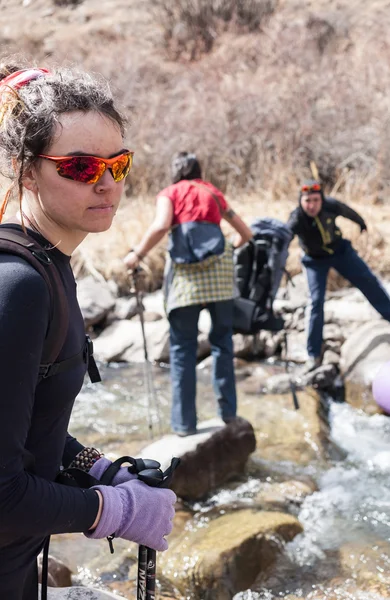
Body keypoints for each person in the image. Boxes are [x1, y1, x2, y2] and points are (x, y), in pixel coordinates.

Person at [0, 63, 176, 600]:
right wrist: (113, 510)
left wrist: (92, 466)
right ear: (26, 170)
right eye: (78, 167)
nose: (106, 183)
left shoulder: (50, 266)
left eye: (117, 164)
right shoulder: (18, 286)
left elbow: (26, 427)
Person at [124, 152, 253, 436]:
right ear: (199, 170)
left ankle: (184, 425)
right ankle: (229, 414)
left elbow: (160, 226)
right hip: (219, 281)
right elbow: (245, 233)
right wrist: (228, 248)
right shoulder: (213, 193)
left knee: (182, 350)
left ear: (175, 172)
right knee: (222, 344)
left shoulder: (169, 193)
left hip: (186, 282)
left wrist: (137, 254)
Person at [287, 179, 390, 371]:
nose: (311, 205)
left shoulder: (331, 205)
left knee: (369, 282)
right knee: (315, 302)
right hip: (313, 261)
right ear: (301, 201)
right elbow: (286, 235)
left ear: (322, 200)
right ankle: (313, 354)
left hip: (340, 253)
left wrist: (361, 224)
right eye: (307, 201)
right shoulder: (297, 217)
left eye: (315, 200)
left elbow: (348, 212)